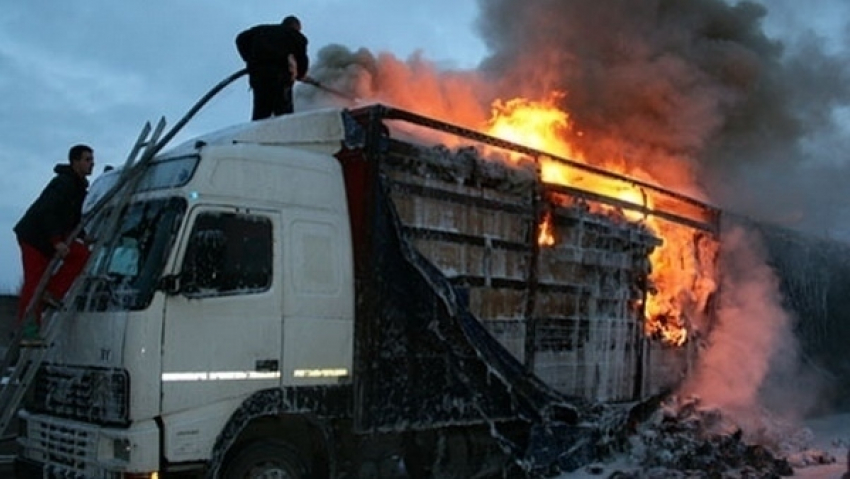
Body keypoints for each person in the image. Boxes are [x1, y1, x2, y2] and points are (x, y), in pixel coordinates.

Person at [14, 144, 94, 339]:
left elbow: (72, 220)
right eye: (87, 160)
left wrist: (84, 236)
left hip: (51, 239)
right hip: (35, 238)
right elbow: (48, 212)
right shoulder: (63, 183)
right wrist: (57, 241)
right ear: (75, 162)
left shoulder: (79, 188)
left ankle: (52, 292)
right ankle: (28, 331)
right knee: (34, 283)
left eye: (92, 160)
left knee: (82, 255)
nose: (92, 164)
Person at [236, 15, 310, 120]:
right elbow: (302, 59)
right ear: (296, 26)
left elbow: (240, 39)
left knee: (261, 112)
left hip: (258, 75)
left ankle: (257, 134)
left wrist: (249, 59)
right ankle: (286, 134)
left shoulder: (262, 30)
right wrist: (301, 74)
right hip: (279, 77)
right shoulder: (296, 36)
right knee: (284, 115)